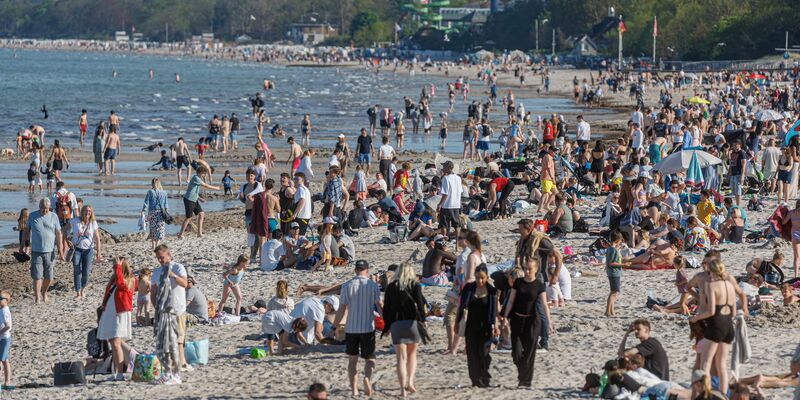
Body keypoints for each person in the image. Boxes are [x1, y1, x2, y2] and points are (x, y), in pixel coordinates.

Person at [689, 259, 741, 393]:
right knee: (722, 365)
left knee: (705, 364)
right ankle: (723, 395)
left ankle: (705, 394)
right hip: (729, 327)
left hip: (716, 326)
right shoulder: (730, 284)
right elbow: (734, 311)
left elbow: (710, 311)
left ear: (712, 271)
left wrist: (696, 318)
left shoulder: (712, 286)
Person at [333, 260, 382, 396]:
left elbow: (341, 310)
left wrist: (334, 327)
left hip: (351, 328)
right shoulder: (372, 286)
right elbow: (380, 306)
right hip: (367, 327)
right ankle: (366, 378)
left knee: (352, 360)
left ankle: (354, 389)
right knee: (369, 359)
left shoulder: (347, 285)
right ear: (367, 271)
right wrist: (386, 323)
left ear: (355, 270)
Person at [502, 258, 552, 387]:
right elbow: (511, 301)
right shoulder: (518, 282)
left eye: (530, 269)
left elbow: (544, 305)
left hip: (532, 322)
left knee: (530, 354)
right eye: (526, 269)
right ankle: (522, 374)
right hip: (517, 320)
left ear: (536, 269)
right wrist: (505, 317)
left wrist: (549, 322)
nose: (527, 271)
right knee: (516, 353)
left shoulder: (539, 285)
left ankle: (525, 381)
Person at [382, 263, 427, 398]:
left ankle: (402, 390)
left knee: (401, 358)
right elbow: (420, 305)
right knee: (412, 356)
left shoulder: (391, 287)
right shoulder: (415, 286)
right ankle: (411, 382)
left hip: (397, 324)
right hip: (412, 323)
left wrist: (387, 326)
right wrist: (422, 321)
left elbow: (387, 309)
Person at [150, 244, 189, 383]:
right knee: (163, 345)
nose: (160, 260)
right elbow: (153, 293)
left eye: (162, 257)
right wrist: (157, 308)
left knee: (177, 343)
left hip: (178, 310)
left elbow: (185, 284)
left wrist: (172, 275)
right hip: (163, 313)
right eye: (158, 258)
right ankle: (167, 373)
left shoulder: (178, 267)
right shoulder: (156, 272)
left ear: (169, 254)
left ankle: (176, 374)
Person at [456, 264, 498, 388]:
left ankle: (484, 377)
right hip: (470, 326)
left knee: (484, 354)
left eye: (482, 278)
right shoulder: (469, 288)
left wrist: (495, 325)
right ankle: (475, 380)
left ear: (486, 277)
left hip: (485, 326)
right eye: (477, 277)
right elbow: (461, 306)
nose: (480, 280)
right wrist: (456, 322)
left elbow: (494, 310)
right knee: (472, 354)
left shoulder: (491, 291)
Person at [97, 257, 136, 381]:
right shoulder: (114, 280)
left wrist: (117, 267)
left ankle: (119, 374)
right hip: (111, 313)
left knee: (116, 343)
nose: (114, 268)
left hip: (120, 314)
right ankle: (116, 372)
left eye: (117, 266)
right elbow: (108, 294)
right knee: (113, 344)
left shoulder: (130, 280)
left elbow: (121, 284)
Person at [21, 198, 64, 304]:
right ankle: (37, 298)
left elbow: (58, 233)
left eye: (46, 209)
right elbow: (26, 231)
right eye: (43, 208)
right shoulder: (32, 216)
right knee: (37, 276)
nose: (44, 210)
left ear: (49, 207)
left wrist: (60, 249)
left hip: (50, 251)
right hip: (36, 251)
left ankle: (44, 292)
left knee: (49, 276)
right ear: (39, 206)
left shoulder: (54, 216)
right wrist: (22, 245)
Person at [67, 205, 102, 299]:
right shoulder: (75, 221)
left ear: (91, 213)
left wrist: (98, 253)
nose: (88, 213)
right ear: (82, 211)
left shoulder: (93, 223)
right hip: (77, 250)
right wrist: (67, 240)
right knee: (77, 270)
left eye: (89, 211)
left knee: (86, 271)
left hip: (89, 250)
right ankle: (78, 292)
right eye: (86, 211)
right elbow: (65, 229)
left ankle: (82, 289)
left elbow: (97, 238)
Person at [178, 165, 220, 239]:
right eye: (204, 174)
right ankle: (180, 234)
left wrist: (199, 198)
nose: (205, 175)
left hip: (194, 199)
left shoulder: (197, 178)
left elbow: (193, 191)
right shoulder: (196, 178)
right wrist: (216, 188)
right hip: (189, 200)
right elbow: (205, 186)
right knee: (189, 217)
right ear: (200, 173)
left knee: (201, 214)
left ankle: (199, 233)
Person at [605, 230, 629, 316]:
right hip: (614, 273)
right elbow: (611, 263)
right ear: (618, 240)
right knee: (614, 292)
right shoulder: (612, 250)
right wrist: (623, 264)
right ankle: (608, 310)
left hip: (613, 272)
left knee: (613, 292)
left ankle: (611, 310)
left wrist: (618, 249)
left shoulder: (611, 248)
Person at [438, 161, 463, 241]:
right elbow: (460, 192)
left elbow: (445, 194)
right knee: (456, 225)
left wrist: (440, 204)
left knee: (444, 225)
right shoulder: (458, 178)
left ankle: (443, 242)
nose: (442, 169)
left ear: (448, 168)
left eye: (444, 167)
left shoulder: (445, 178)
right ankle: (457, 245)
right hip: (456, 204)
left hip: (447, 205)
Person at [142, 178, 169, 249]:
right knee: (160, 229)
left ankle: (153, 245)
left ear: (152, 184)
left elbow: (146, 202)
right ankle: (157, 244)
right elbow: (166, 204)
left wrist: (143, 211)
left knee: (152, 229)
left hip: (152, 213)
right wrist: (167, 213)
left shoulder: (150, 192)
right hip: (161, 212)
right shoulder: (164, 192)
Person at [728, 140, 747, 206]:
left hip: (739, 173)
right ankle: (736, 204)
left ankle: (738, 205)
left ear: (740, 145)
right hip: (733, 173)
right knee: (734, 190)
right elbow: (731, 163)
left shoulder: (742, 153)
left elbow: (744, 164)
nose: (735, 146)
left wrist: (742, 176)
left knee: (738, 190)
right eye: (734, 145)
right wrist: (729, 171)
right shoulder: (732, 152)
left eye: (736, 144)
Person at [0, 290, 12, 389]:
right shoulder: (2, 309)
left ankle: (7, 382)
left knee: (2, 360)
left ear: (6, 300)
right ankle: (7, 381)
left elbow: (8, 326)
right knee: (5, 360)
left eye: (0, 299)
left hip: (4, 338)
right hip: (2, 338)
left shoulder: (4, 311)